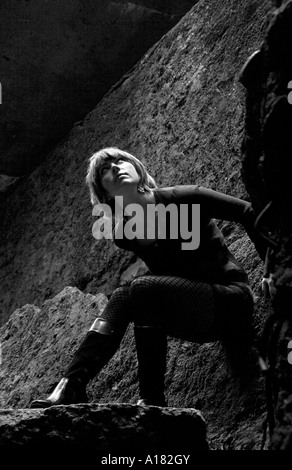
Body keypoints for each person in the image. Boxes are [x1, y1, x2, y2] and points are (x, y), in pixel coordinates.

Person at [30, 147, 267, 408]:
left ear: (139, 169)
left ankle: (151, 400)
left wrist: (272, 268)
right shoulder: (125, 235)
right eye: (105, 170)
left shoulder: (186, 197)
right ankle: (70, 385)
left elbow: (248, 212)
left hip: (231, 301)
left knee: (142, 287)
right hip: (193, 316)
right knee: (122, 296)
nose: (116, 167)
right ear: (104, 192)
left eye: (121, 161)